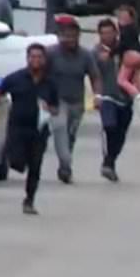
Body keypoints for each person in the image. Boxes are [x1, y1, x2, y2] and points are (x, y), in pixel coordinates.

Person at [0, 43, 59, 215]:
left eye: (39, 57)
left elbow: (56, 107)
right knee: (16, 160)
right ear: (27, 59)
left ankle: (29, 199)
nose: (36, 60)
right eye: (32, 57)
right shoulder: (16, 78)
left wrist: (49, 108)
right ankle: (18, 163)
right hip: (18, 127)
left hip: (38, 130)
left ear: (45, 60)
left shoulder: (50, 82)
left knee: (35, 165)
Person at [45, 14, 102, 184]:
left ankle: (64, 166)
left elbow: (95, 76)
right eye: (66, 35)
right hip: (57, 100)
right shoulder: (51, 53)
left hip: (77, 101)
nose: (69, 39)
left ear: (78, 36)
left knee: (70, 134)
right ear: (60, 35)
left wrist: (97, 96)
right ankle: (66, 162)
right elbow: (40, 75)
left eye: (73, 35)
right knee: (59, 128)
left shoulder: (85, 55)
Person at [92, 17, 132, 182]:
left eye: (110, 32)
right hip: (108, 97)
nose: (107, 36)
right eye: (103, 33)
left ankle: (110, 162)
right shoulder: (95, 52)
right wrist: (97, 96)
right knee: (110, 127)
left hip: (125, 98)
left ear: (116, 33)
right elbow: (93, 76)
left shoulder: (126, 49)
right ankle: (108, 163)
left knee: (120, 134)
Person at [114, 4, 140, 118]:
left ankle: (137, 95)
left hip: (130, 55)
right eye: (120, 16)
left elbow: (123, 45)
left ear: (130, 18)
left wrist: (112, 52)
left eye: (124, 17)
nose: (122, 19)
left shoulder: (126, 30)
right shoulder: (134, 28)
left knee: (121, 80)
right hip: (138, 54)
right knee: (136, 79)